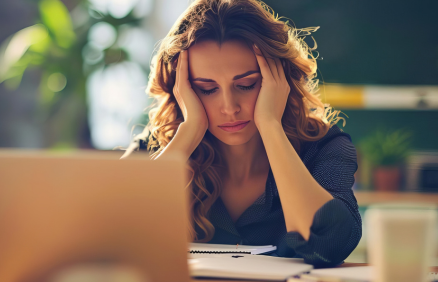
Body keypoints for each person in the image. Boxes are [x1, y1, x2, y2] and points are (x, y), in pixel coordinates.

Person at [122, 0, 361, 267]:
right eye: (207, 89)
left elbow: (329, 244)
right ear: (183, 91)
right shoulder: (156, 151)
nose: (229, 108)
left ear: (279, 81)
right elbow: (104, 235)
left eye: (246, 84)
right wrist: (188, 133)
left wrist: (270, 125)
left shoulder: (324, 149)